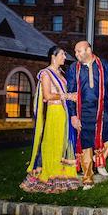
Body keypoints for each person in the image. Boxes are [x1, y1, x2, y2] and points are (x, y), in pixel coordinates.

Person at [20, 46, 81, 193]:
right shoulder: (46, 74)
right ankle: (51, 174)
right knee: (52, 142)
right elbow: (47, 96)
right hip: (54, 113)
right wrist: (67, 96)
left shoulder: (61, 73)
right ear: (53, 56)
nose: (65, 57)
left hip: (63, 113)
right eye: (62, 55)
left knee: (62, 143)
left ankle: (63, 173)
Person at [66, 41, 108, 190]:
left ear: (89, 50)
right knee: (86, 144)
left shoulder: (104, 65)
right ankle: (88, 179)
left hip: (102, 109)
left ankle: (99, 161)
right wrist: (73, 115)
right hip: (82, 111)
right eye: (75, 52)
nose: (76, 54)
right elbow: (71, 93)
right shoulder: (73, 68)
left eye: (79, 51)